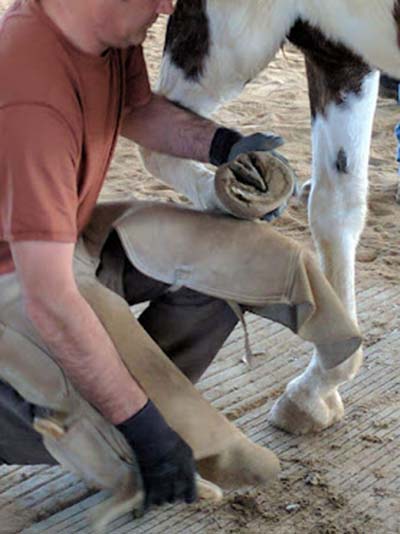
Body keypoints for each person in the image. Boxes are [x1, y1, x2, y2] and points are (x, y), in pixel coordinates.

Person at [0, 0, 362, 517]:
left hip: (64, 238)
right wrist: (142, 426)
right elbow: (50, 297)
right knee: (124, 432)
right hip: (18, 278)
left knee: (239, 260)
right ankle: (100, 425)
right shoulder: (27, 94)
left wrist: (224, 145)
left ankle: (139, 406)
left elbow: (136, 109)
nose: (171, 5)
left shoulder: (105, 37)